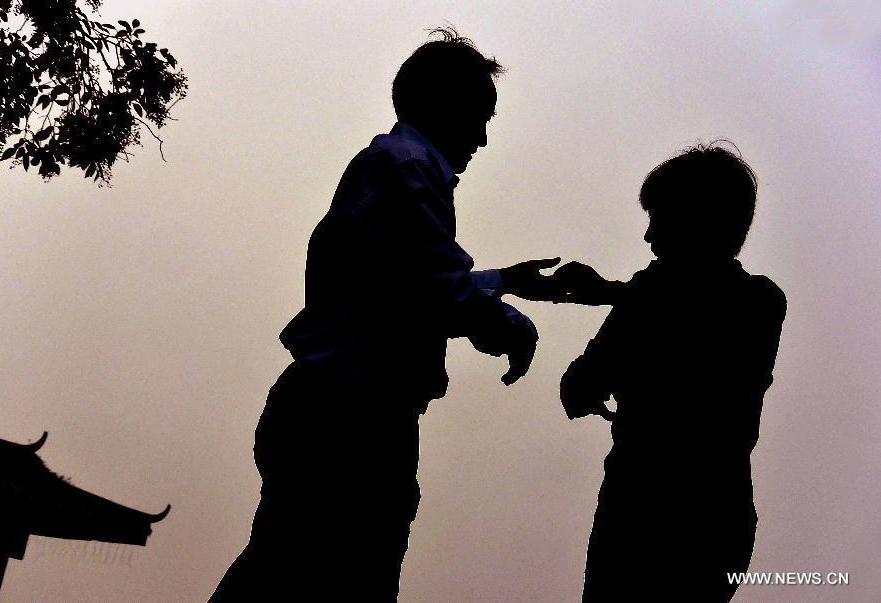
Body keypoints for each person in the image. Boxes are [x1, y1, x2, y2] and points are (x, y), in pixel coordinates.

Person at [210, 28, 558, 601]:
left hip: (340, 409)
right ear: (446, 106)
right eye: (481, 115)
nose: (484, 139)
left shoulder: (396, 166)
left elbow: (413, 282)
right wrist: (512, 322)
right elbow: (435, 291)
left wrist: (507, 284)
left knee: (284, 570)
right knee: (333, 577)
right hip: (350, 417)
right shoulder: (407, 168)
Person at [557, 142, 787, 602]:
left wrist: (610, 294)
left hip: (645, 516)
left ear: (693, 220)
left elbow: (579, 386)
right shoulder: (758, 301)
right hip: (712, 516)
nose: (648, 237)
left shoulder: (653, 298)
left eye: (657, 218)